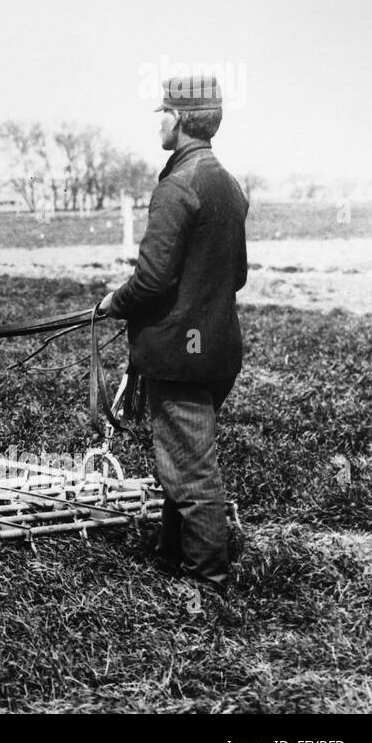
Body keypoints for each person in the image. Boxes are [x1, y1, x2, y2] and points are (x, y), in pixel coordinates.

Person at [97, 75, 248, 595]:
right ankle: (171, 556)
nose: (158, 120)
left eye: (163, 111)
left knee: (190, 468)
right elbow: (238, 275)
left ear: (181, 120)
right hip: (219, 351)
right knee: (183, 456)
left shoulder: (177, 187)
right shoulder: (227, 183)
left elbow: (153, 278)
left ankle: (208, 581)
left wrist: (114, 302)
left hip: (180, 354)